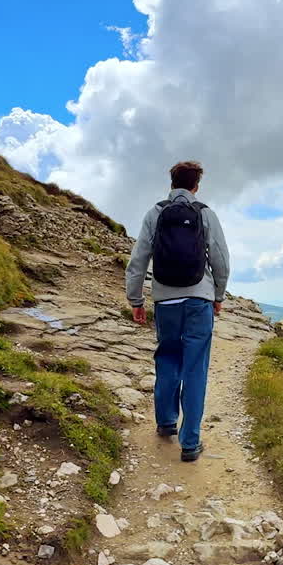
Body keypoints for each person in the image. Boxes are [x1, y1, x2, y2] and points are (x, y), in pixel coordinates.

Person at [125, 161, 230, 462]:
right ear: (197, 185)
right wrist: (218, 295)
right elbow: (220, 258)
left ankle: (166, 423)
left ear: (172, 183)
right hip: (199, 301)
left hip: (165, 301)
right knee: (195, 369)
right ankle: (190, 443)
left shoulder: (154, 214)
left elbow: (139, 259)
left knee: (168, 358)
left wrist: (136, 300)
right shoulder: (205, 213)